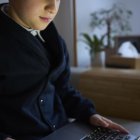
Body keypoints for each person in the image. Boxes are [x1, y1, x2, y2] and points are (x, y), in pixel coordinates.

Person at [0, 0, 129, 140]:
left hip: (64, 132)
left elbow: (63, 89)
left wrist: (89, 114)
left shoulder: (54, 39)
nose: (53, 8)